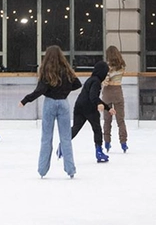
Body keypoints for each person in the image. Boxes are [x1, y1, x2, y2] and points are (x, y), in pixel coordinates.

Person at [19, 44, 82, 178]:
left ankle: (42, 170)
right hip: (64, 104)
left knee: (46, 138)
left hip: (49, 104)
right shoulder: (66, 70)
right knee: (66, 138)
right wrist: (64, 90)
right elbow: (77, 84)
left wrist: (25, 100)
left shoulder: (46, 71)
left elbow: (40, 90)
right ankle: (70, 170)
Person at [68, 61, 113, 163]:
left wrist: (107, 108)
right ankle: (99, 152)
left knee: (75, 128)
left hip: (79, 106)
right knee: (97, 129)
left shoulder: (90, 80)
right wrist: (99, 104)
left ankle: (63, 145)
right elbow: (93, 96)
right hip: (89, 108)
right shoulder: (96, 82)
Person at [101, 45, 128, 153]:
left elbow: (105, 81)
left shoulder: (107, 67)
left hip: (107, 92)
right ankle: (123, 142)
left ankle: (107, 142)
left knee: (107, 120)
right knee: (120, 120)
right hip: (118, 90)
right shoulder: (122, 66)